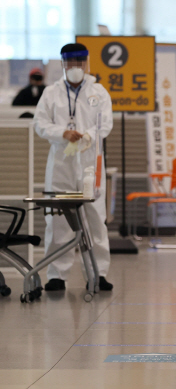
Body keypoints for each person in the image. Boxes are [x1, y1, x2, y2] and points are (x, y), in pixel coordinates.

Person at [33, 43, 114, 292]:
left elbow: (105, 124)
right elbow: (40, 123)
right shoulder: (51, 93)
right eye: (71, 63)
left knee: (95, 219)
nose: (75, 67)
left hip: (90, 163)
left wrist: (88, 136)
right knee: (58, 221)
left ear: (87, 64)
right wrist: (62, 133)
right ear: (62, 64)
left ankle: (98, 273)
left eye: (80, 62)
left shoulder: (99, 92)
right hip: (61, 164)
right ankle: (57, 275)